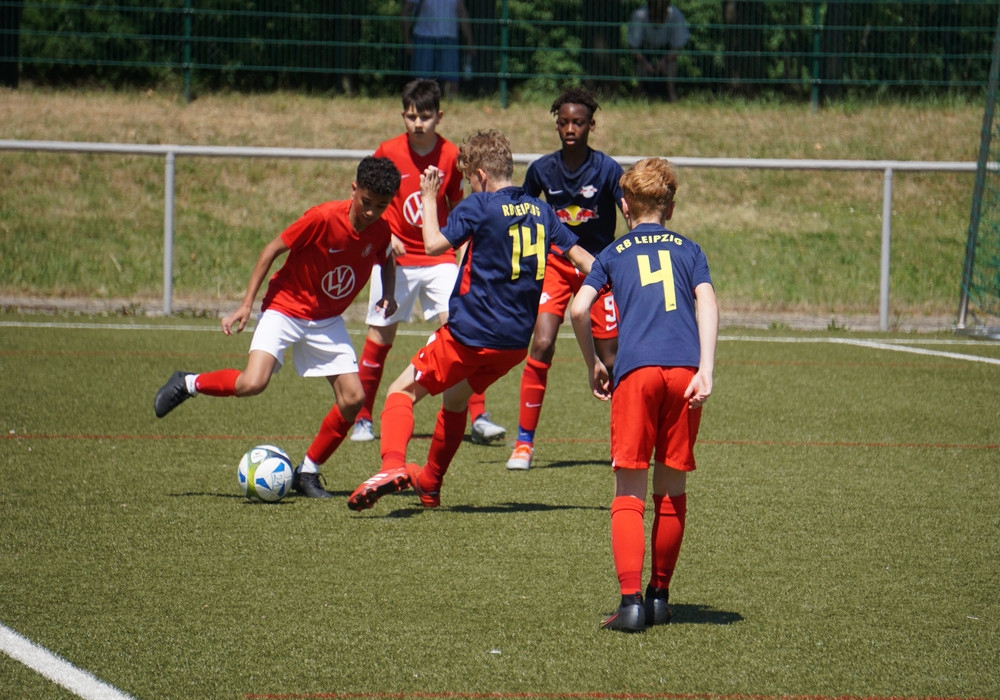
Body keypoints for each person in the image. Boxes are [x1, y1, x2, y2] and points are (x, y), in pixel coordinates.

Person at [347, 129, 595, 512]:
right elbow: (583, 259)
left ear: (480, 175)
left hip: (470, 335)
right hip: (514, 344)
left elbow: (433, 245)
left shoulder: (480, 205)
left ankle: (391, 465)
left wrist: (429, 198)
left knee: (400, 392)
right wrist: (619, 284)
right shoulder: (542, 210)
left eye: (467, 180)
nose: (467, 187)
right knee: (456, 400)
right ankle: (429, 483)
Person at [152, 157, 402, 499]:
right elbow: (272, 249)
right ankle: (188, 383)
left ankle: (308, 472)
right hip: (285, 308)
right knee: (252, 383)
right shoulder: (322, 217)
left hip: (326, 320)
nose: (372, 212)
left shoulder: (381, 230)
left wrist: (389, 294)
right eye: (366, 202)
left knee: (353, 399)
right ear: (354, 189)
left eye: (381, 206)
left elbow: (386, 259)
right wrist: (246, 304)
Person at [569, 157, 718, 633]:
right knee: (671, 490)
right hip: (684, 371)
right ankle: (659, 597)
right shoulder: (690, 249)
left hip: (636, 373)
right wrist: (706, 369)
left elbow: (579, 309)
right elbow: (707, 301)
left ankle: (630, 603)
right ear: (669, 208)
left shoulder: (613, 252)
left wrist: (594, 362)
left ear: (624, 206)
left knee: (629, 490)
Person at [351, 79, 506, 446]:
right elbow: (371, 200)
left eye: (425, 116)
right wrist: (386, 236)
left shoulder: (450, 155)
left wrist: (465, 250)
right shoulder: (388, 151)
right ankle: (362, 418)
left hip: (439, 258)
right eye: (411, 116)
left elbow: (459, 208)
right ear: (403, 116)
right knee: (380, 334)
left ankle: (479, 417)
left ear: (439, 116)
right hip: (397, 259)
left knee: (462, 330)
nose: (418, 123)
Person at [506, 87, 624, 472]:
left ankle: (622, 445)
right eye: (564, 122)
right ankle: (523, 444)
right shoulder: (542, 169)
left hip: (597, 267)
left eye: (578, 122)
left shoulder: (608, 170)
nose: (570, 128)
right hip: (556, 265)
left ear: (592, 125)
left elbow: (629, 211)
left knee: (612, 358)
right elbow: (521, 212)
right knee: (541, 343)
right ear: (556, 125)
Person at [401, 0, 475, 99]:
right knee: (421, 81)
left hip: (449, 38)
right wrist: (407, 40)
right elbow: (405, 9)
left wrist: (469, 41)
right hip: (423, 36)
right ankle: (422, 103)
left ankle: (451, 104)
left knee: (451, 81)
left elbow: (462, 12)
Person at [627, 0, 690, 102]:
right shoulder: (639, 15)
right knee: (639, 65)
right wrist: (645, 63)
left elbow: (677, 47)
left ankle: (671, 97)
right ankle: (638, 96)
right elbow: (633, 47)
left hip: (666, 52)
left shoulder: (676, 15)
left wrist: (664, 61)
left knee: (671, 64)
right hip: (645, 52)